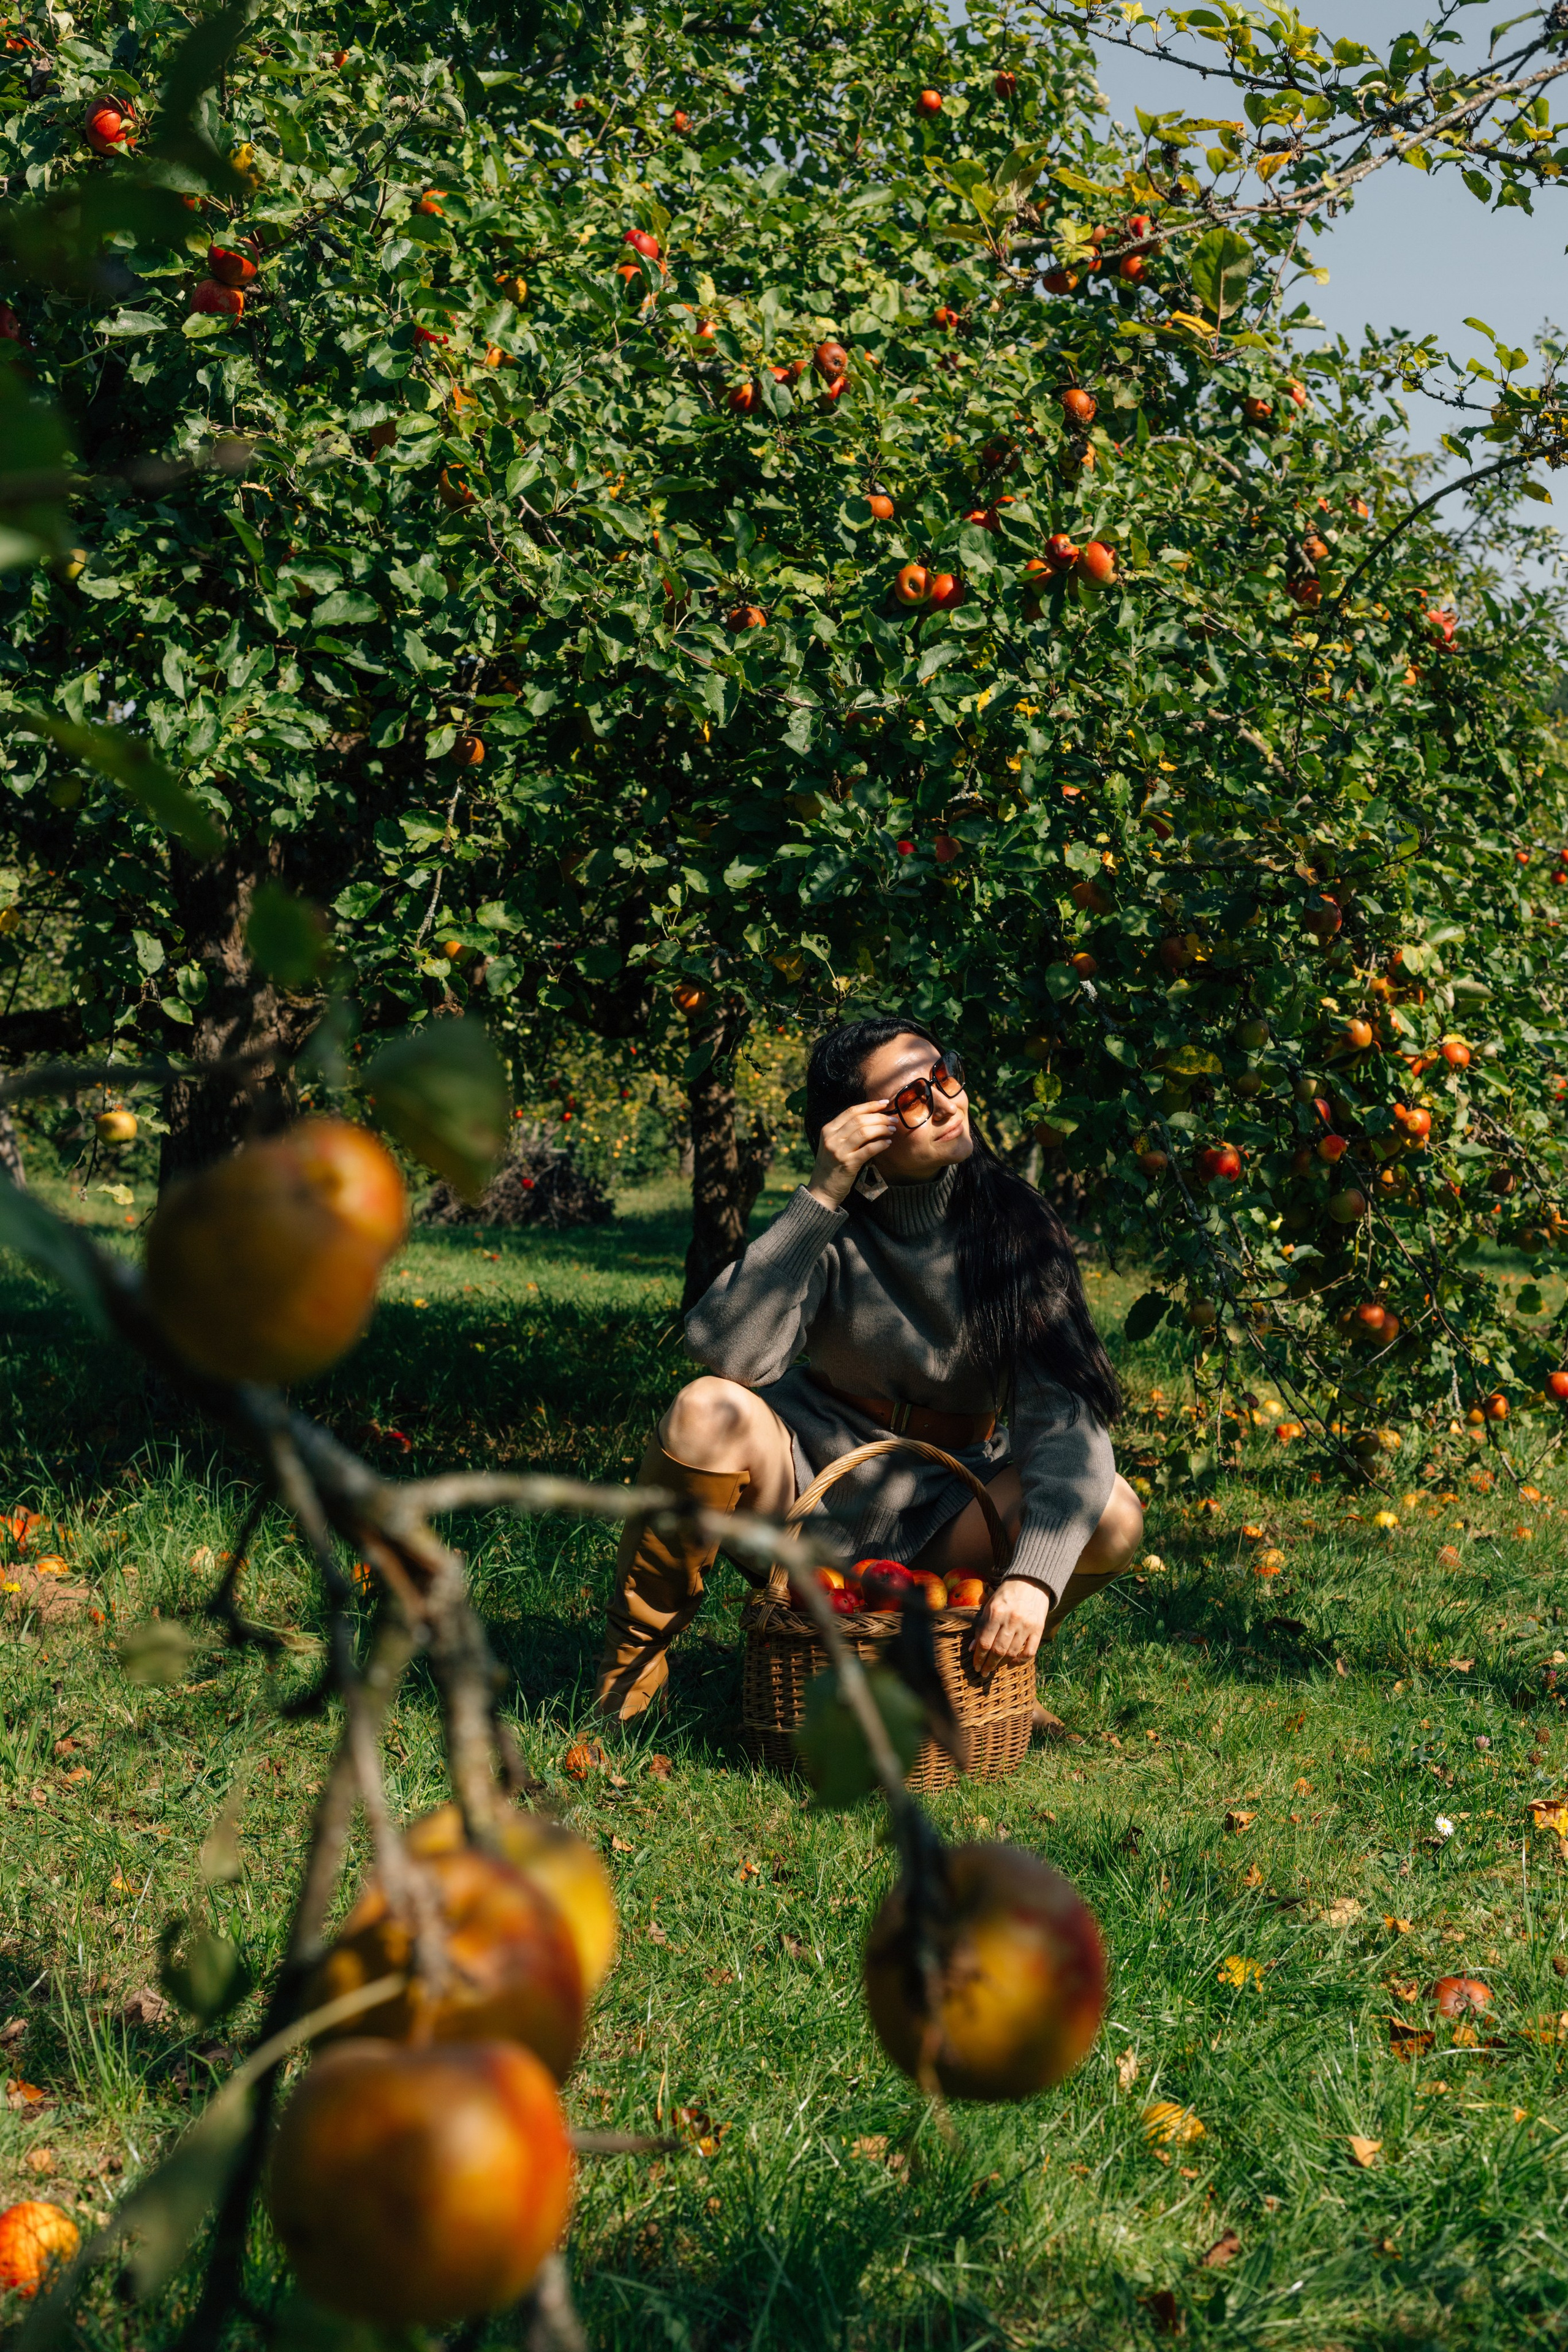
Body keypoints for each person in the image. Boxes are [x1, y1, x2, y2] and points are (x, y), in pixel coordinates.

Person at [594, 1013, 1143, 1723]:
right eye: (911, 1098)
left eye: (944, 1075)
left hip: (950, 1503)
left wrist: (1033, 1582)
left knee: (1113, 1514)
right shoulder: (828, 1226)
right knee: (705, 1408)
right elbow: (731, 1353)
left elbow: (1065, 1415)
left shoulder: (1015, 1227)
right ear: (858, 1131)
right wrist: (823, 1194)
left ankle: (991, 1667)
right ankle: (631, 1676)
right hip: (809, 1493)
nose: (944, 1102)